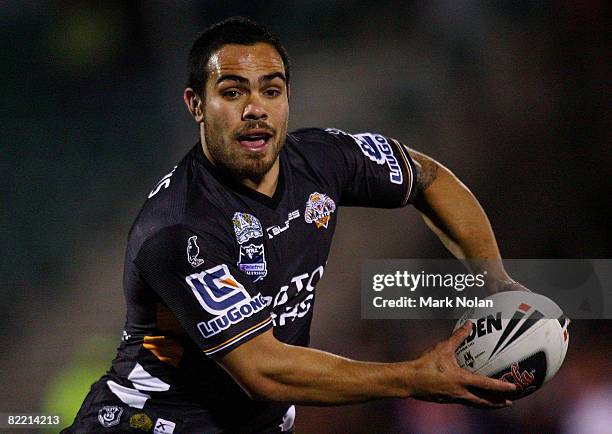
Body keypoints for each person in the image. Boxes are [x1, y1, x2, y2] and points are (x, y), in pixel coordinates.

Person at [63, 16, 524, 434]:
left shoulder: (324, 160)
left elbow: (430, 181)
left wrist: (496, 278)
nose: (255, 109)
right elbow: (264, 369)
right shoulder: (177, 228)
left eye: (271, 89)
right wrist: (411, 378)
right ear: (196, 104)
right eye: (231, 91)